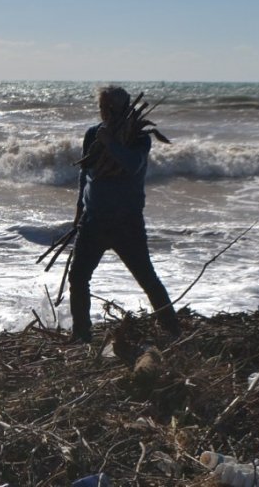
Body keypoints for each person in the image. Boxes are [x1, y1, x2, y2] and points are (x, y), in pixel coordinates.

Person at [68, 85, 181, 343]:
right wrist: (79, 207)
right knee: (78, 277)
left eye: (109, 108)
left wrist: (110, 144)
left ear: (123, 108)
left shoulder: (139, 138)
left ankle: (172, 329)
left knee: (146, 277)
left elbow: (132, 165)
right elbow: (85, 172)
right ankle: (81, 336)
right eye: (103, 108)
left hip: (126, 223)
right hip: (94, 221)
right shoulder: (93, 134)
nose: (105, 113)